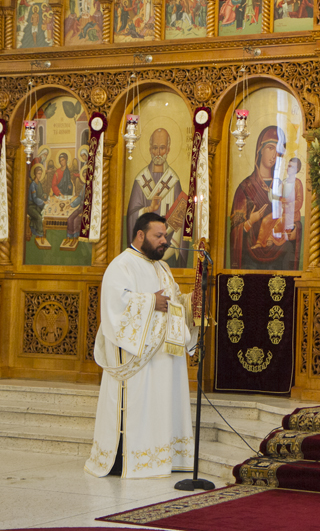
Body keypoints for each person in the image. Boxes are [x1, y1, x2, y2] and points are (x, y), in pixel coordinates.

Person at [85, 213, 198, 478]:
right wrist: (150, 302)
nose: (165, 241)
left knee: (162, 405)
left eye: (166, 236)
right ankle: (128, 458)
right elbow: (115, 306)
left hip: (164, 360)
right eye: (158, 236)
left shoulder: (162, 268)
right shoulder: (121, 265)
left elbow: (174, 304)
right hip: (138, 362)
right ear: (140, 235)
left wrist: (193, 304)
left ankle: (164, 456)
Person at [229, 125, 300, 270]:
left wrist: (295, 231)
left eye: (278, 150)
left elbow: (293, 219)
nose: (274, 155)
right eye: (270, 148)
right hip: (250, 262)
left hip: (279, 258)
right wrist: (250, 222)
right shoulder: (245, 188)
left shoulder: (283, 187)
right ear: (260, 150)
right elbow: (234, 233)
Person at [126, 128, 188, 268]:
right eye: (155, 148)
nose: (158, 153)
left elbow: (181, 218)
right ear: (149, 149)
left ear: (168, 149)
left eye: (162, 148)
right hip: (143, 252)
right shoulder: (140, 179)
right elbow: (131, 216)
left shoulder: (174, 180)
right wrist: (149, 209)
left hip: (168, 251)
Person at [252, 156, 304, 255]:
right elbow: (276, 196)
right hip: (280, 211)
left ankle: (271, 239)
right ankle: (259, 242)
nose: (289, 168)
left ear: (296, 169)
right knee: (266, 220)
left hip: (291, 214)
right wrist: (270, 191)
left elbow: (299, 201)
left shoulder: (298, 183)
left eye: (291, 167)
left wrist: (287, 205)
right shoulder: (283, 182)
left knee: (280, 221)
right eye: (288, 166)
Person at [27, 164, 49, 249]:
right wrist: (43, 201)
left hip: (37, 205)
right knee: (39, 217)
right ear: (35, 174)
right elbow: (35, 198)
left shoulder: (39, 183)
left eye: (40, 173)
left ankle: (37, 234)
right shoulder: (33, 184)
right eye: (38, 173)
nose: (39, 175)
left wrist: (44, 195)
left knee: (44, 213)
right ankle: (40, 235)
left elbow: (40, 194)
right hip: (31, 206)